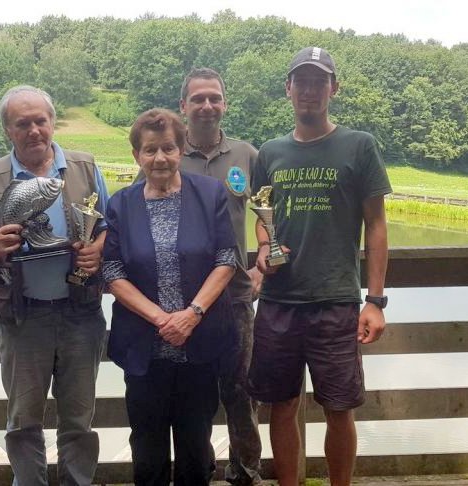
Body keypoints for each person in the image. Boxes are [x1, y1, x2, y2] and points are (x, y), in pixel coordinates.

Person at [247, 47, 391, 486]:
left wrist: (376, 300)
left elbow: (377, 225)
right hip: (278, 301)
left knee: (339, 407)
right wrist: (265, 248)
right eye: (301, 82)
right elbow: (262, 218)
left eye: (319, 81)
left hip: (336, 300)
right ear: (288, 89)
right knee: (282, 405)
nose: (310, 91)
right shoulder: (269, 152)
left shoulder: (359, 145)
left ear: (334, 87)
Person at [0, 85, 109, 486]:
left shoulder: (85, 167)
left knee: (79, 420)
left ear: (52, 122)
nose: (33, 130)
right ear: (8, 130)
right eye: (22, 123)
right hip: (21, 317)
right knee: (22, 421)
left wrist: (96, 251)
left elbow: (109, 227)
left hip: (80, 312)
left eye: (40, 121)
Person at [103, 108, 237, 485]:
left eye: (168, 148)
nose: (159, 158)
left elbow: (227, 258)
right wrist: (163, 320)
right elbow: (113, 272)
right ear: (136, 156)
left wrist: (191, 314)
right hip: (145, 349)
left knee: (196, 451)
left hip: (200, 346)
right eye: (150, 150)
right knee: (147, 454)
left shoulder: (209, 193)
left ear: (181, 150)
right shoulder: (121, 204)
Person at [177, 67, 263, 485]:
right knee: (194, 396)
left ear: (224, 103)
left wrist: (264, 257)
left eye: (214, 97)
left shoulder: (247, 155)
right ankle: (199, 472)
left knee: (241, 393)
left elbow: (270, 212)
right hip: (183, 301)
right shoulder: (166, 154)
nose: (207, 106)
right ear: (184, 106)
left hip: (235, 298)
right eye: (198, 99)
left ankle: (246, 474)